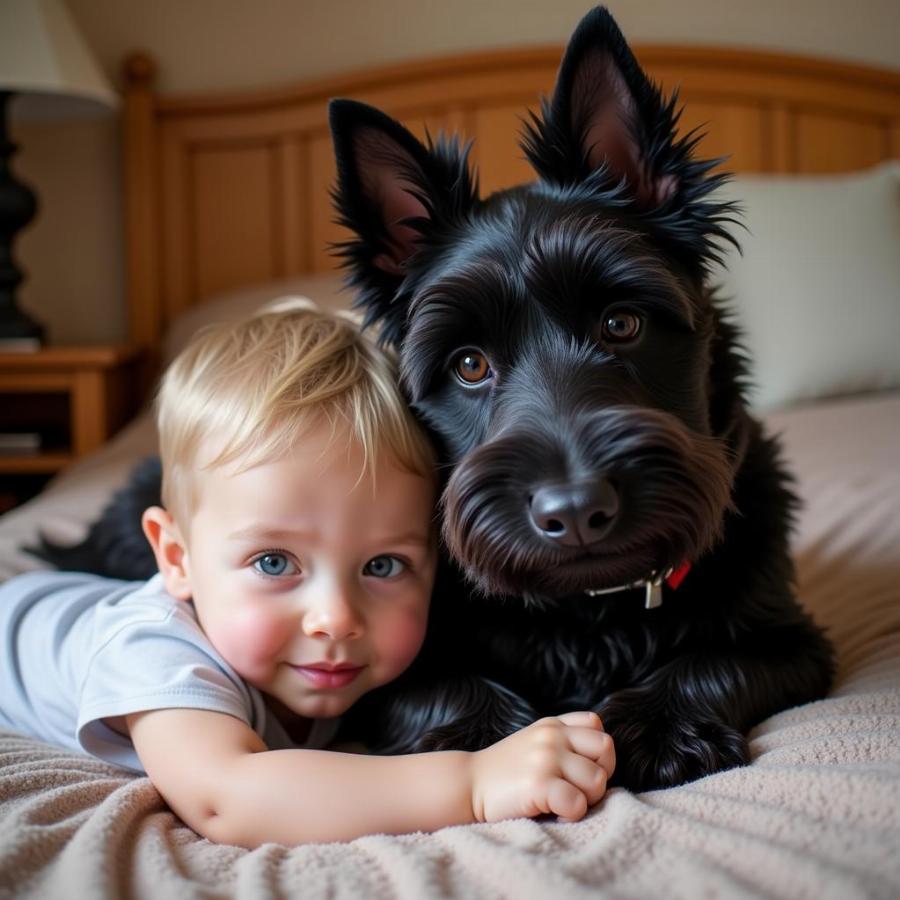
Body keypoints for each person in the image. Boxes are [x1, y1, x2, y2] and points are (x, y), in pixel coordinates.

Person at [0, 299, 615, 847]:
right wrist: (474, 782)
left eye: (382, 565)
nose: (337, 618)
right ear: (177, 558)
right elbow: (227, 796)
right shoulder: (156, 651)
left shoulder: (333, 653)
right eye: (274, 562)